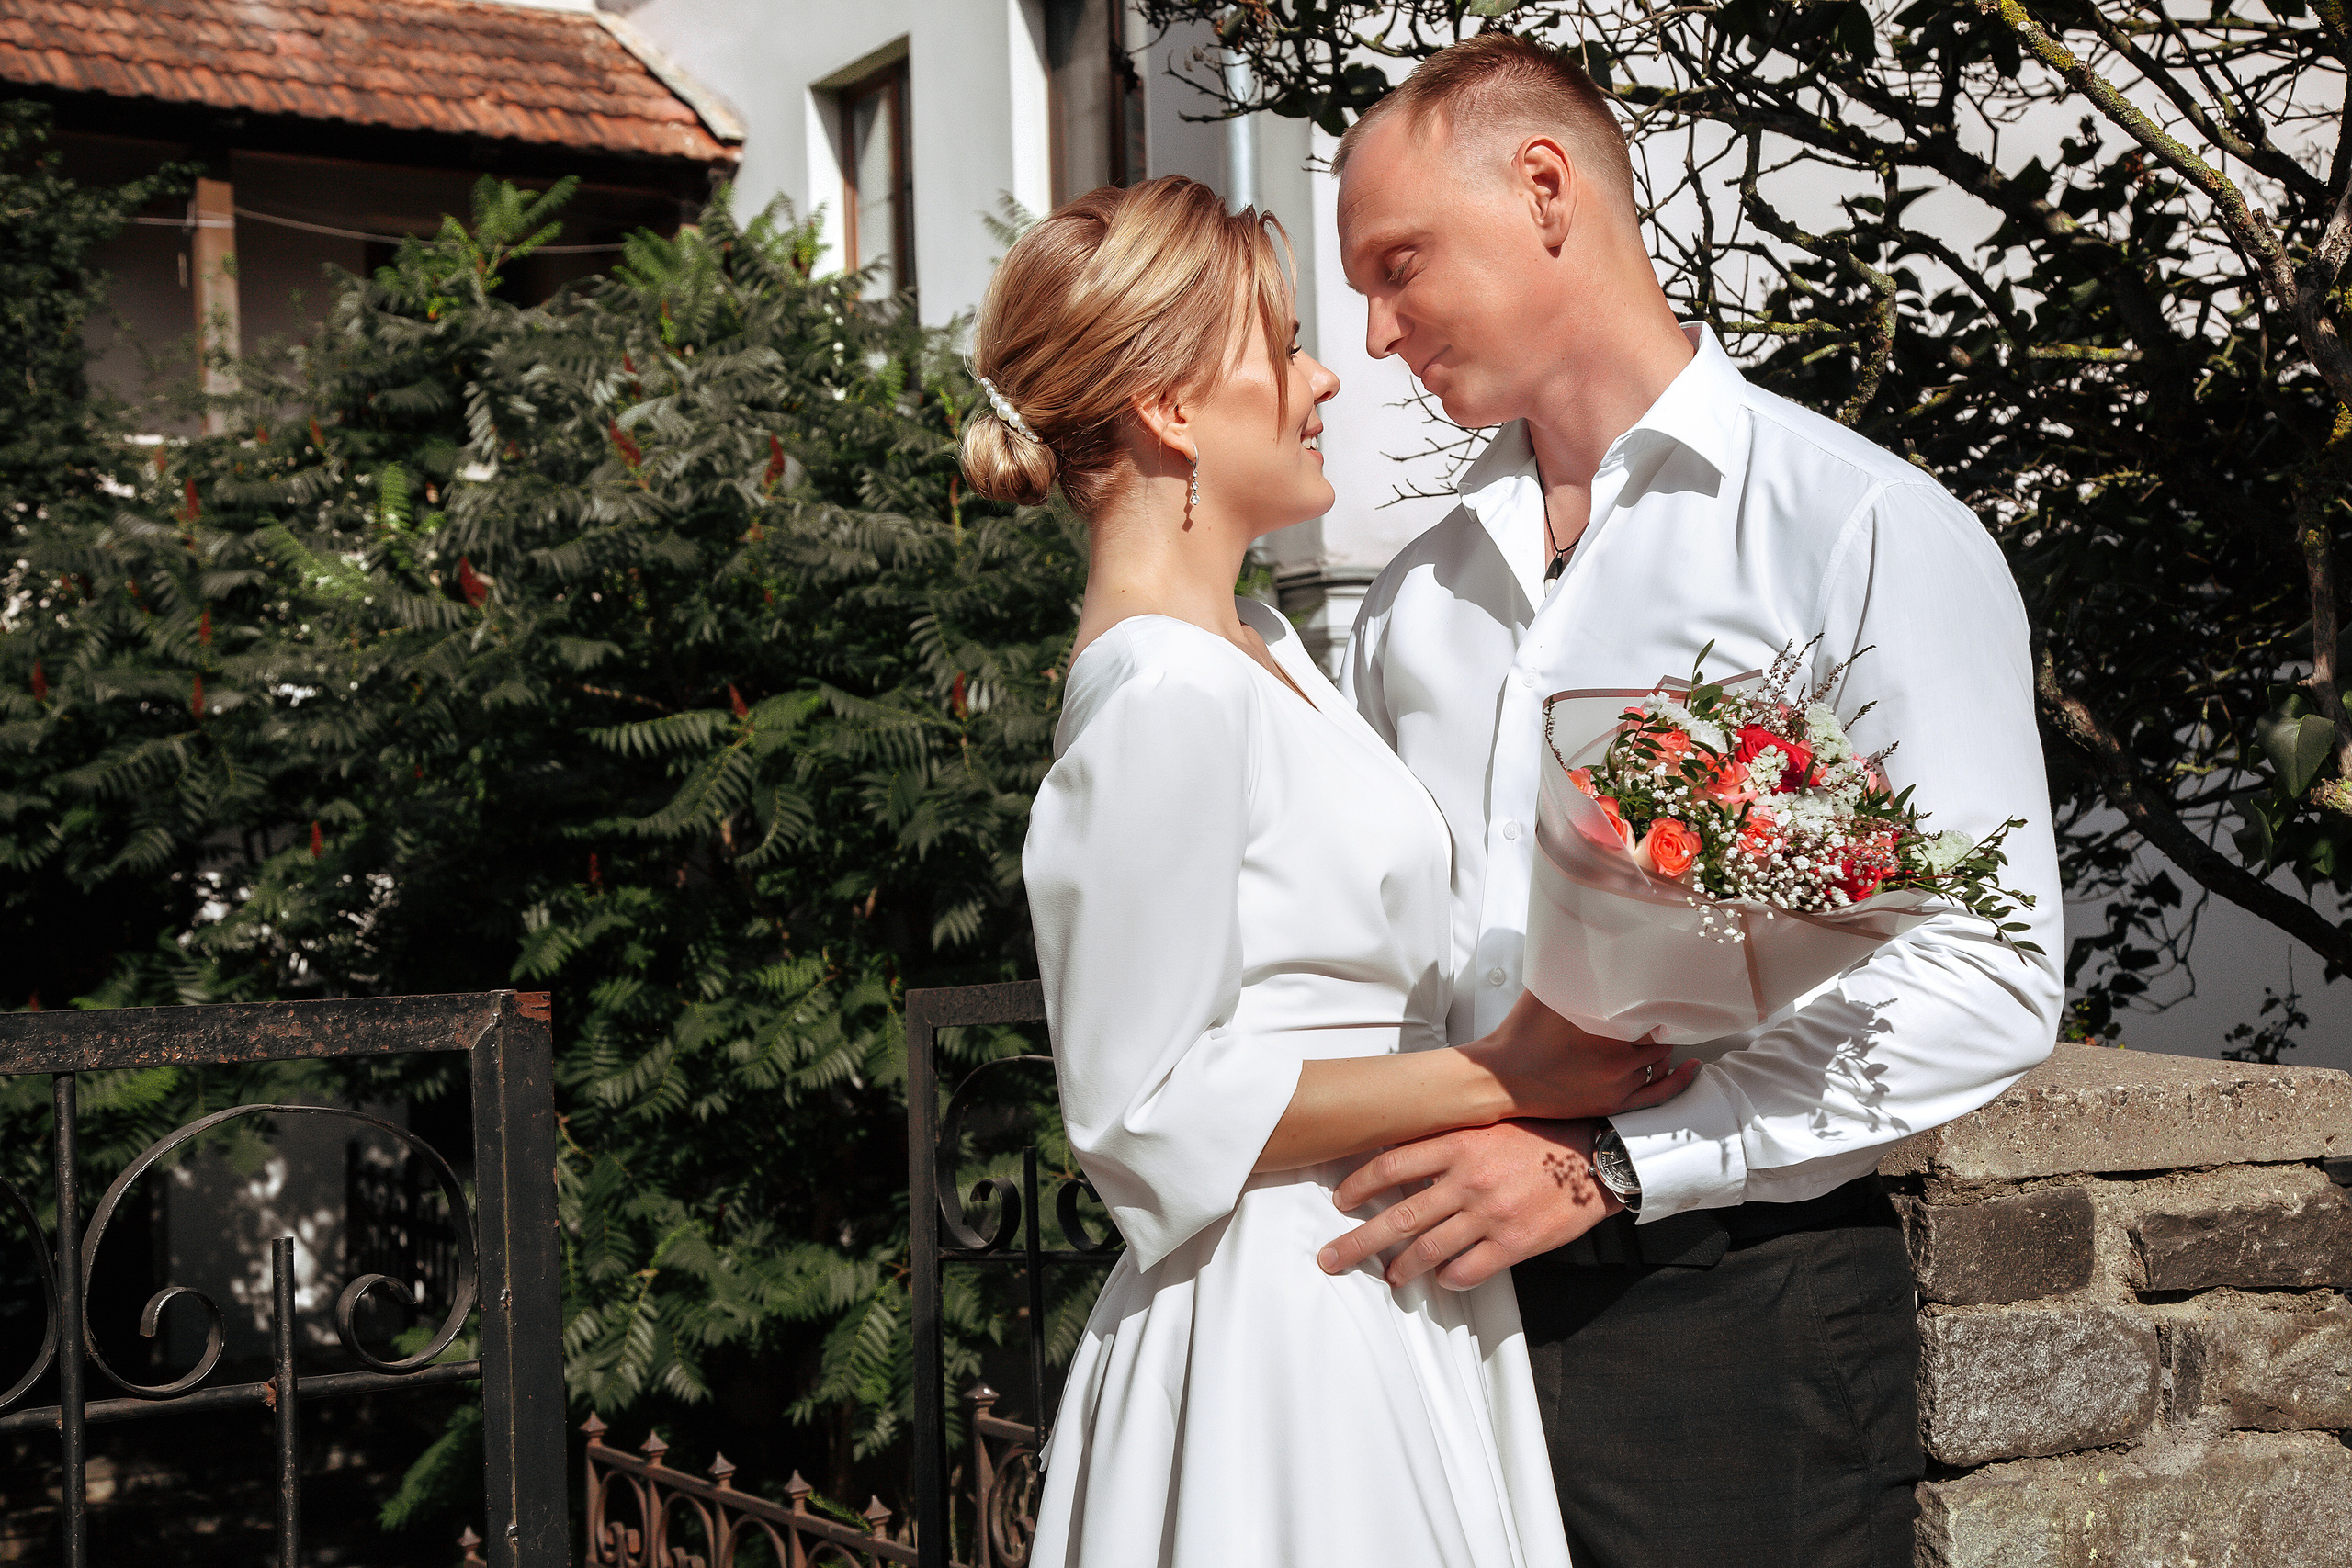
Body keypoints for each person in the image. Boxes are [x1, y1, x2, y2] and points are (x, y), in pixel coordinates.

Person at [1319, 32, 2068, 1568]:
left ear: (1544, 190)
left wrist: (1617, 1160)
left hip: (1726, 1321)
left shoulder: (1857, 527)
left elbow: (1991, 976)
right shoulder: (1412, 602)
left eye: (1400, 267)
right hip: (1441, 1317)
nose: (1376, 332)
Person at [965, 175, 1694, 1568]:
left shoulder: (1265, 658)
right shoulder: (1167, 695)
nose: (1324, 380)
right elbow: (1143, 1108)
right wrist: (1516, 1076)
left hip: (1370, 1280)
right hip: (1280, 1329)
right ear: (1172, 406)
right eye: (1285, 343)